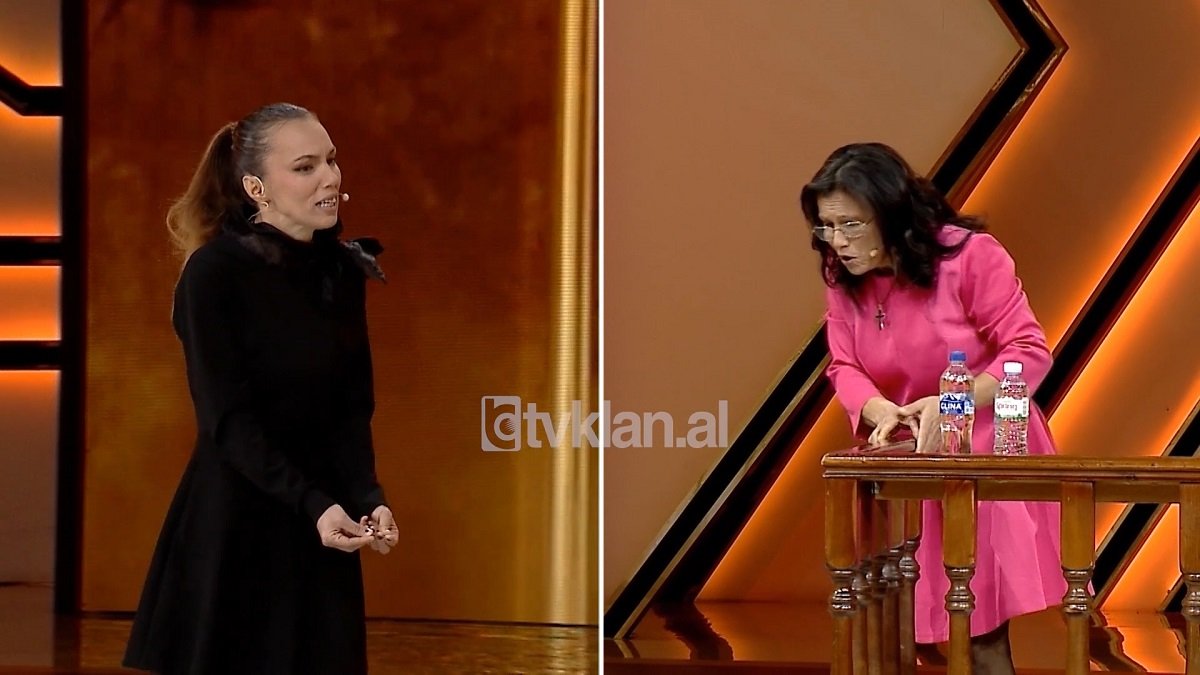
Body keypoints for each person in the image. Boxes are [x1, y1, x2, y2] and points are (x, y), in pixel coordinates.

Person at [123, 102, 399, 674]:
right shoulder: (214, 274)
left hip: (324, 524)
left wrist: (369, 499)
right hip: (239, 520)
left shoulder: (342, 271)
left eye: (331, 160)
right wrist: (314, 504)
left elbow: (351, 409)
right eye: (305, 167)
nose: (329, 177)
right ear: (256, 187)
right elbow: (226, 420)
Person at [802, 142, 1065, 673]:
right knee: (910, 636)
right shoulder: (842, 274)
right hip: (910, 463)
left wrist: (952, 402)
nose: (838, 242)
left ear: (891, 213)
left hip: (982, 453)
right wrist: (879, 410)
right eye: (826, 227)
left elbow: (1029, 352)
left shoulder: (970, 256)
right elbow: (843, 366)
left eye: (850, 225)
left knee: (977, 632)